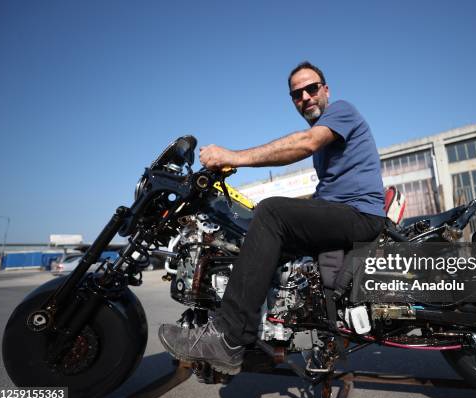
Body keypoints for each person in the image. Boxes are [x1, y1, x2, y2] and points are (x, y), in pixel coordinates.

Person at [159, 61, 386, 374]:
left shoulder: (341, 112)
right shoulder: (326, 141)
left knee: (271, 212)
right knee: (257, 240)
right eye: (297, 94)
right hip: (345, 212)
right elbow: (328, 194)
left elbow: (304, 144)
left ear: (326, 90)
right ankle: (259, 344)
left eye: (312, 88)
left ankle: (228, 338)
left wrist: (232, 156)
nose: (305, 97)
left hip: (361, 214)